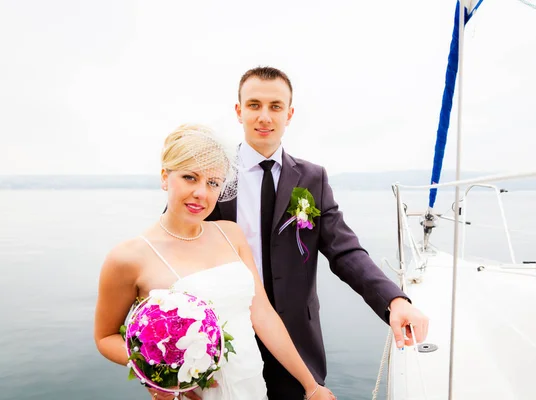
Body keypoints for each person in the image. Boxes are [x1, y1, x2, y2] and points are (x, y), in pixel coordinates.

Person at [205, 66, 430, 399]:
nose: (264, 116)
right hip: (226, 338)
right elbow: (175, 242)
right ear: (239, 111)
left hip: (297, 343)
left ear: (289, 114)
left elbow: (345, 251)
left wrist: (394, 300)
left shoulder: (312, 178)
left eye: (275, 106)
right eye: (254, 105)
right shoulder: (212, 174)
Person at [94, 124, 336, 400]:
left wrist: (311, 385)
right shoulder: (128, 257)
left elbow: (263, 315)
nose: (201, 193)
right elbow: (105, 337)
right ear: (165, 177)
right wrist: (156, 374)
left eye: (213, 183)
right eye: (189, 177)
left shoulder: (230, 234)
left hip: (251, 387)